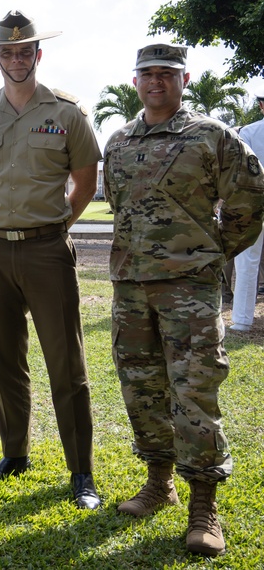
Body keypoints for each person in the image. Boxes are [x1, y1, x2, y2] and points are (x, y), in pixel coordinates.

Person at [104, 44, 264, 556]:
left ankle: (203, 504)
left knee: (194, 391)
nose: (156, 82)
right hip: (130, 286)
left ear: (185, 79)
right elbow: (116, 203)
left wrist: (210, 252)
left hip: (189, 290)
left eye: (166, 74)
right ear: (135, 82)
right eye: (147, 74)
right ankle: (159, 482)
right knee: (141, 386)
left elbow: (249, 200)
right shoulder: (119, 140)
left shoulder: (212, 136)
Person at [0, 11, 101, 509]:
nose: (16, 59)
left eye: (25, 51)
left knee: (66, 362)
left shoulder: (66, 113)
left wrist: (58, 223)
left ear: (38, 55)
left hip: (46, 249)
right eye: (8, 52)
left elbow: (85, 181)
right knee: (6, 358)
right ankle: (14, 454)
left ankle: (81, 471)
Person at [229, 86, 264, 331]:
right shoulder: (249, 132)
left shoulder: (249, 132)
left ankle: (242, 321)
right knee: (246, 261)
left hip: (255, 200)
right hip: (255, 202)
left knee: (247, 261)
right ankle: (241, 320)